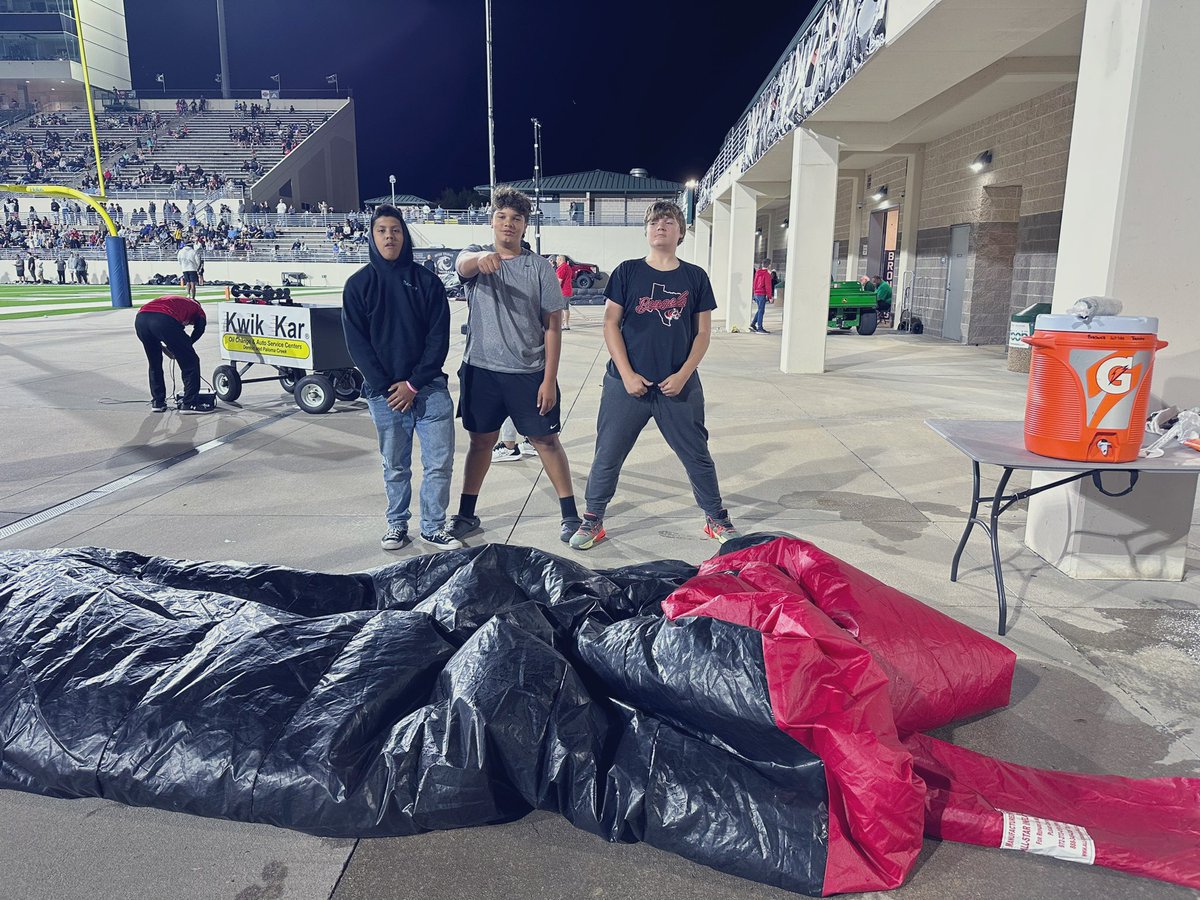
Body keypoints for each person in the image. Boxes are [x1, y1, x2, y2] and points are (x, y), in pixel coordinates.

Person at [569, 200, 738, 550]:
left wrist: (683, 374)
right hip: (625, 384)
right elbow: (610, 323)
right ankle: (593, 520)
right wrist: (628, 374)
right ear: (646, 231)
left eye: (668, 221)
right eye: (654, 221)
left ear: (680, 232)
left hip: (678, 386)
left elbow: (703, 333)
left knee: (697, 455)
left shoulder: (694, 277)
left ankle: (715, 517)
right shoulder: (627, 271)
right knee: (608, 453)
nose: (660, 225)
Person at [449, 186, 579, 543]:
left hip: (528, 372)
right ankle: (466, 513)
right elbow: (462, 264)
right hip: (481, 371)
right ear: (491, 221)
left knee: (545, 440)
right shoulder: (476, 256)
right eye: (502, 217)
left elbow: (552, 324)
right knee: (481, 442)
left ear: (525, 225)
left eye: (516, 219)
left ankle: (570, 514)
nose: (509, 224)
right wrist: (479, 262)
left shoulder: (538, 268)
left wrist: (549, 379)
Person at [341, 204, 460, 552]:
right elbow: (357, 344)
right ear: (372, 236)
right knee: (395, 465)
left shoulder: (427, 281)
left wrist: (413, 384)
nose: (389, 236)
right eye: (382, 230)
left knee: (439, 463)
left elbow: (439, 338)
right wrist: (387, 386)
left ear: (404, 235)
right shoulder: (358, 285)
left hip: (430, 389)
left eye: (395, 230)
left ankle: (433, 526)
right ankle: (396, 525)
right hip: (384, 395)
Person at [134, 294, 213, 413]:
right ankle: (189, 404)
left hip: (141, 319)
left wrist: (172, 348)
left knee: (154, 363)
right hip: (163, 319)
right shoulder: (198, 308)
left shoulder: (176, 301)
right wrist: (187, 346)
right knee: (191, 362)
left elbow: (156, 336)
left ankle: (158, 402)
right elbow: (200, 328)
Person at [750, 258, 774, 333]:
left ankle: (753, 324)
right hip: (761, 294)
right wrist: (770, 297)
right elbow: (768, 286)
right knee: (761, 311)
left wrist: (754, 293)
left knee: (760, 309)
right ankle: (760, 328)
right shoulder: (767, 274)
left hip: (756, 293)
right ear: (769, 265)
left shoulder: (757, 272)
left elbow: (754, 283)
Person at [555, 254, 573, 330]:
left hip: (562, 291)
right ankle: (566, 324)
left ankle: (562, 324)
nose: (556, 261)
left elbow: (559, 281)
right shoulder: (568, 267)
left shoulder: (561, 268)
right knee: (566, 309)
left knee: (561, 309)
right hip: (568, 291)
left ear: (561, 260)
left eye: (557, 260)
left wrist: (554, 290)